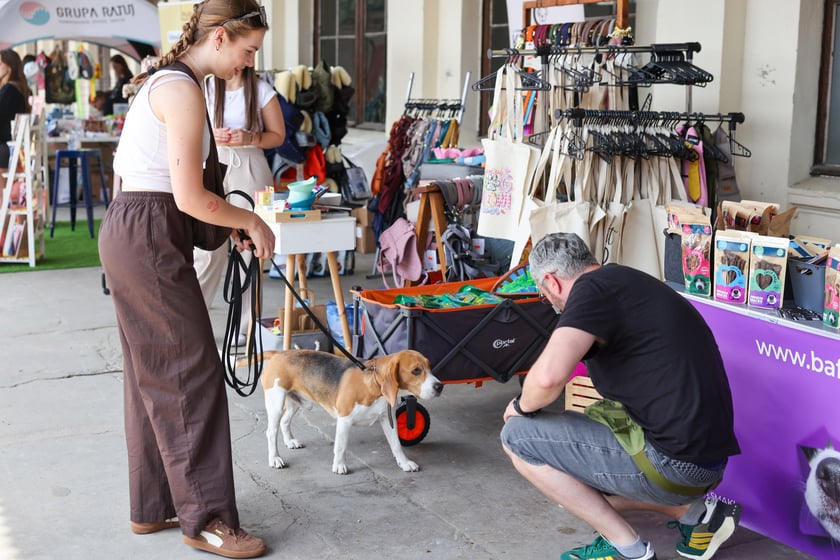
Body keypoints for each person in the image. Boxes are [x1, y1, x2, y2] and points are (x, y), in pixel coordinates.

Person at [98, 2, 274, 558]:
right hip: (147, 233)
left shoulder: (172, 83)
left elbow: (160, 187)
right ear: (220, 37)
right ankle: (209, 519)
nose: (247, 65)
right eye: (246, 51)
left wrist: (227, 226)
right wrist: (248, 218)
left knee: (151, 373)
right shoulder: (180, 89)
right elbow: (189, 196)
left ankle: (155, 506)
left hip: (138, 229)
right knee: (189, 374)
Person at [501, 232, 742, 560]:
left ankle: (628, 549)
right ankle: (697, 514)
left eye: (544, 295)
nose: (551, 304)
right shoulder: (624, 279)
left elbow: (547, 380)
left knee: (518, 437)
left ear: (551, 282)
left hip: (675, 462)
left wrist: (518, 406)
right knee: (577, 442)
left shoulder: (589, 293)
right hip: (705, 461)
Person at [195, 65, 285, 342]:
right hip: (213, 163)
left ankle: (243, 326)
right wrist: (213, 135)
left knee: (247, 250)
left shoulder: (260, 89)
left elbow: (278, 135)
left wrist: (250, 137)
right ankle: (190, 320)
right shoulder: (207, 86)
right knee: (207, 247)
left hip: (250, 165)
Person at [0, 49, 32, 172]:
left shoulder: (9, 90)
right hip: (15, 146)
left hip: (4, 147)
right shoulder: (22, 88)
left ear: (9, 67)